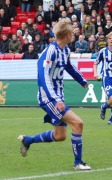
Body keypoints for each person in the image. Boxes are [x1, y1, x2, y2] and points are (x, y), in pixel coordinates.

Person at [17, 19, 91, 170]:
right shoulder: (50, 50)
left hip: (57, 97)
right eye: (73, 33)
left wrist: (82, 80)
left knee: (60, 136)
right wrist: (55, 99)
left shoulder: (65, 50)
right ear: (68, 35)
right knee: (78, 123)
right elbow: (43, 76)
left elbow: (69, 66)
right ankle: (78, 163)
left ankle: (27, 140)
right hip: (48, 98)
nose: (75, 35)